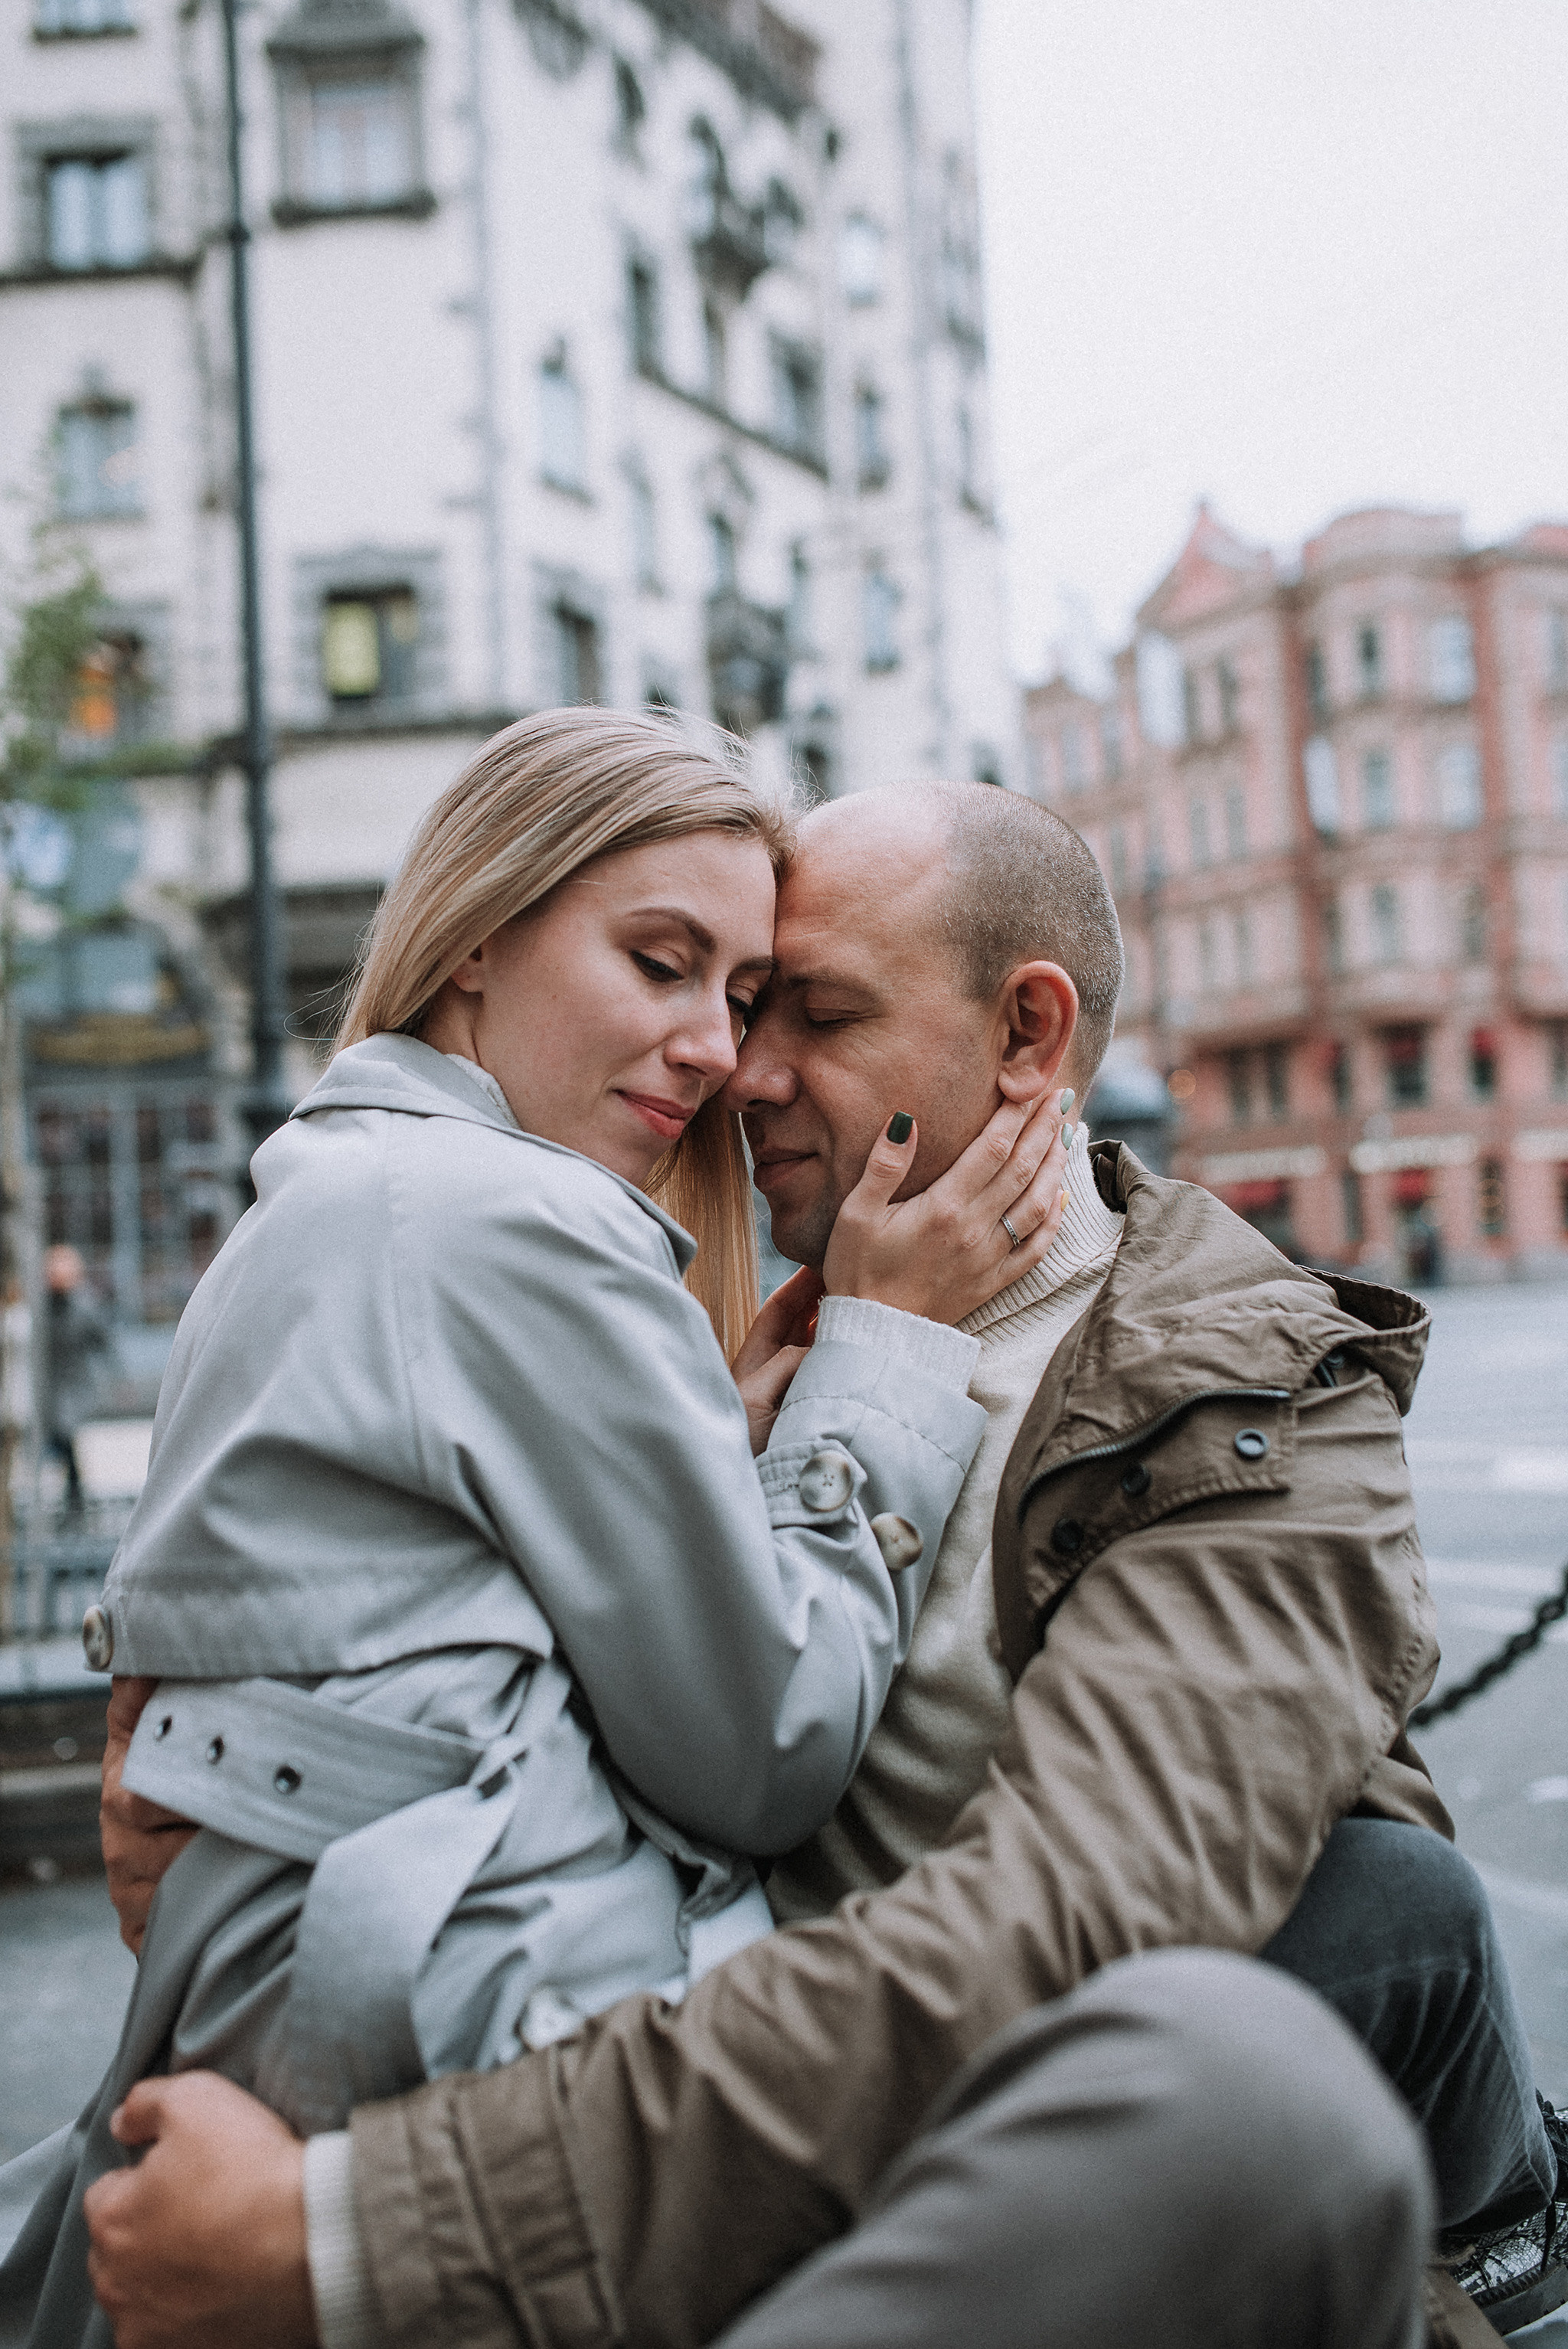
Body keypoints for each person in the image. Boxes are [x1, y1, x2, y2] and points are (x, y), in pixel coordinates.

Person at [80, 782, 1566, 2347]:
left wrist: (370, 2224)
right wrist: (245, 1756)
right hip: (688, 2167)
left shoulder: (1239, 1409)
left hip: (946, 2224)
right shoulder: (762, 1333)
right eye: (734, 1001)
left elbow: (1052, 1935)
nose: (741, 1067)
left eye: (819, 1012)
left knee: (1383, 1913)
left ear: (1027, 1036)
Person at [0, 719, 1074, 2349]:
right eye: (658, 960)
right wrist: (890, 1352)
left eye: (742, 993)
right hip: (471, 2010)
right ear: (476, 934)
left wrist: (715, 1448)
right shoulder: (516, 1217)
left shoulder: (335, 1180)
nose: (714, 1049)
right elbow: (765, 1748)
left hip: (313, 1989)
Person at [41, 1244, 112, 1519]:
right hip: (50, 1385)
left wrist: (119, 1379)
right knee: (59, 1439)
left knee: (65, 1432)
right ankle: (71, 1498)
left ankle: (74, 1500)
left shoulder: (84, 1306)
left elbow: (103, 1343)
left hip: (74, 1385)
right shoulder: (43, 1306)